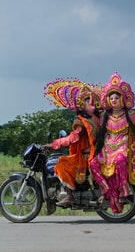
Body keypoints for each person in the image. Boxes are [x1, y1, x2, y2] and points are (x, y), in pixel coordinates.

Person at [90, 72, 135, 214]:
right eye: (111, 97)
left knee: (120, 160)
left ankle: (123, 190)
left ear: (123, 99)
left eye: (117, 97)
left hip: (124, 148)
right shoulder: (104, 116)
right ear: (108, 99)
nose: (114, 99)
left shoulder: (131, 115)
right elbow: (96, 133)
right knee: (93, 163)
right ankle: (106, 190)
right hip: (107, 149)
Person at [44, 78, 102, 207]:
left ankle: (70, 196)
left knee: (60, 164)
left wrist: (54, 144)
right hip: (96, 154)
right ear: (82, 105)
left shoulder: (82, 122)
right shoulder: (97, 119)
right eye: (87, 100)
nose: (91, 102)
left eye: (92, 100)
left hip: (85, 157)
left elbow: (72, 138)